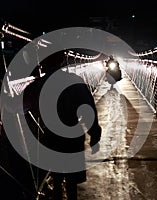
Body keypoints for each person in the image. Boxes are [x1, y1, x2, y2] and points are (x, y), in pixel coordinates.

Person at [23, 51, 102, 200]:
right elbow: (88, 109)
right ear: (63, 61)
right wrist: (94, 134)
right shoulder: (75, 81)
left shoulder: (38, 85)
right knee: (72, 181)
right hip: (73, 135)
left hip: (52, 137)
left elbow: (20, 105)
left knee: (56, 178)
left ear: (43, 63)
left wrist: (2, 92)